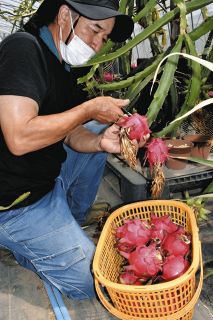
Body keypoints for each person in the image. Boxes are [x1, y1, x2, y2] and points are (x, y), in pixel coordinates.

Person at [0, 0, 147, 300]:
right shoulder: (23, 49)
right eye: (94, 29)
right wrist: (88, 109)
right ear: (65, 14)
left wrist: (99, 142)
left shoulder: (64, 66)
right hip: (15, 205)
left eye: (103, 38)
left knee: (95, 131)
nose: (96, 44)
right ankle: (33, 245)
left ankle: (63, 229)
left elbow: (70, 134)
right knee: (94, 283)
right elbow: (18, 137)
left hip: (45, 181)